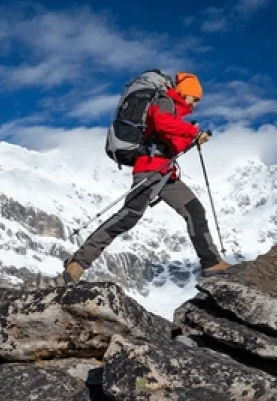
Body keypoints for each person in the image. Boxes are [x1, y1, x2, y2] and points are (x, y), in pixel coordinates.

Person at [62, 72, 232, 283]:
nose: (195, 104)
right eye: (194, 98)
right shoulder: (165, 101)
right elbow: (162, 123)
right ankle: (78, 262)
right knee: (128, 216)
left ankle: (211, 262)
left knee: (194, 210)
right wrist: (191, 132)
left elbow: (168, 141)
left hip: (165, 173)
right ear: (185, 92)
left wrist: (192, 139)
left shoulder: (173, 110)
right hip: (150, 170)